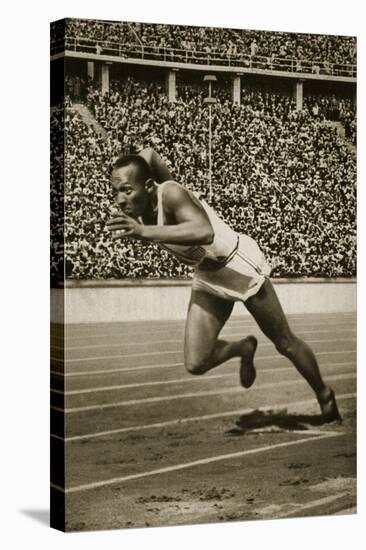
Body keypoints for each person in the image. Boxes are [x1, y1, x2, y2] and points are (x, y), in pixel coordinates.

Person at [106, 147, 341, 423]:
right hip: (208, 275)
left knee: (284, 342)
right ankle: (242, 348)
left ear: (147, 186)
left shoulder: (171, 194)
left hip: (236, 265)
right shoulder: (142, 206)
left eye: (126, 190)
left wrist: (145, 231)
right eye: (116, 192)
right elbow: (148, 154)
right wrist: (137, 181)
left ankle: (325, 395)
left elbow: (205, 232)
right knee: (195, 362)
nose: (120, 200)